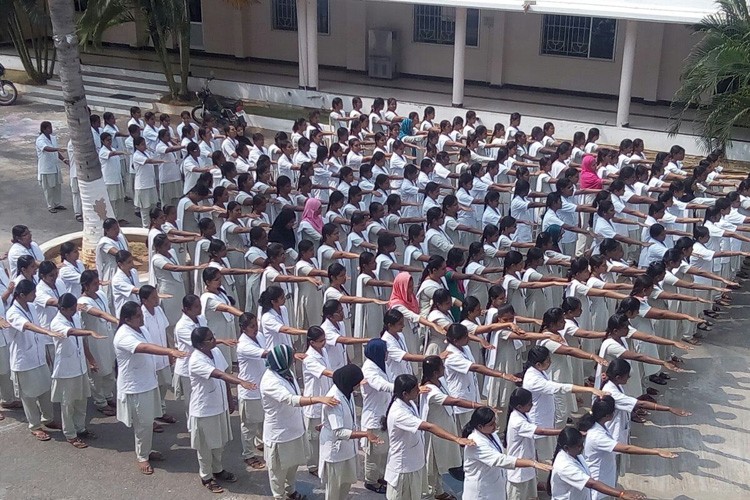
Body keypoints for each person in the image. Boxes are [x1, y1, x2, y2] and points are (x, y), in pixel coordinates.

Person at [113, 301, 188, 475]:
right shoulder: (123, 335)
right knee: (143, 424)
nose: (142, 318)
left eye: (141, 314)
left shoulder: (142, 329)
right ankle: (142, 457)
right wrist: (169, 352)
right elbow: (144, 347)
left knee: (147, 422)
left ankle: (146, 450)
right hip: (136, 387)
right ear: (127, 319)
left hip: (148, 382)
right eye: (138, 316)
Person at [260, 344, 339, 500]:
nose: (293, 361)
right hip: (280, 433)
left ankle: (291, 490)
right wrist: (318, 399)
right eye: (290, 357)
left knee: (292, 464)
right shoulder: (270, 381)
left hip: (294, 428)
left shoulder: (285, 372)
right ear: (283, 361)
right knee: (278, 470)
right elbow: (291, 399)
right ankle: (279, 496)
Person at [383, 373, 476, 500]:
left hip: (414, 464)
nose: (419, 390)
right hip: (403, 468)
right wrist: (456, 438)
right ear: (405, 393)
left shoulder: (408, 402)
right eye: (416, 389)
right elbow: (429, 427)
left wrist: (418, 389)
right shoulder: (399, 413)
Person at [188, 326, 256, 493]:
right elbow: (218, 374)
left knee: (219, 443)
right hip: (204, 410)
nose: (214, 340)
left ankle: (217, 470)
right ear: (199, 344)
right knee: (205, 446)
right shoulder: (196, 360)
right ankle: (206, 476)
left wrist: (229, 399)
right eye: (209, 339)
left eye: (213, 337)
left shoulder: (216, 352)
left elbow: (224, 374)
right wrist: (240, 382)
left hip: (219, 406)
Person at [578, 396, 677, 500]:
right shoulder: (597, 435)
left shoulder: (599, 426)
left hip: (605, 478)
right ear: (608, 415)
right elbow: (627, 449)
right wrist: (656, 451)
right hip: (598, 483)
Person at [6, 280, 64, 441]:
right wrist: (48, 332)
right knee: (29, 396)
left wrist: (44, 350)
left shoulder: (31, 307)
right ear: (22, 295)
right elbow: (27, 326)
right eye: (33, 293)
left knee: (46, 389)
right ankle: (35, 425)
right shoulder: (12, 312)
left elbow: (35, 330)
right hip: (24, 361)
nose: (35, 296)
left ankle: (49, 419)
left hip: (38, 357)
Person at [49, 293, 107, 448]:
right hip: (66, 370)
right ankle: (70, 434)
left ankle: (80, 428)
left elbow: (81, 341)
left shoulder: (74, 317)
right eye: (72, 309)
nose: (75, 311)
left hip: (80, 367)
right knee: (68, 404)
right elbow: (72, 333)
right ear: (62, 309)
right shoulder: (56, 322)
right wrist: (89, 332)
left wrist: (91, 360)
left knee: (81, 400)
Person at [320, 364, 383, 500]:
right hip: (335, 453)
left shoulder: (346, 392)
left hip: (347, 450)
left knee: (345, 485)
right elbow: (339, 433)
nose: (357, 387)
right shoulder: (334, 399)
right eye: (356, 383)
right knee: (334, 490)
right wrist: (365, 434)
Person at [462, 406, 552, 500]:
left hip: (494, 485)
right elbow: (501, 459)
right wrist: (531, 463)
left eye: (494, 422)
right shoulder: (475, 442)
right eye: (491, 424)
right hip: (481, 491)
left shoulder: (490, 434)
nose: (495, 426)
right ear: (480, 426)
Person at [550, 427, 645, 500]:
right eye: (578, 446)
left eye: (582, 444)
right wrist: (621, 494)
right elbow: (591, 484)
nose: (582, 447)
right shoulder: (564, 466)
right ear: (567, 448)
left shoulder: (574, 454)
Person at [506, 388, 563, 500]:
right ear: (519, 407)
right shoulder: (517, 421)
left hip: (528, 467)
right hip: (519, 472)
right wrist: (563, 431)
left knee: (532, 496)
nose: (532, 405)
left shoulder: (523, 415)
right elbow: (540, 431)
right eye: (529, 404)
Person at [78, 270, 119, 416]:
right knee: (97, 372)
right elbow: (100, 313)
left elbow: (105, 311)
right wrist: (117, 321)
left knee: (110, 369)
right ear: (85, 285)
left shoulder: (100, 294)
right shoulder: (82, 302)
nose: (97, 285)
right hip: (94, 341)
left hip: (107, 337)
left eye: (98, 282)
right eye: (94, 283)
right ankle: (100, 401)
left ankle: (108, 396)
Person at [361, 338, 393, 493]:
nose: (387, 354)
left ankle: (380, 476)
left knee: (383, 450)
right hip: (373, 418)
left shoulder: (380, 365)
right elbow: (380, 385)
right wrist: (400, 387)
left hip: (382, 414)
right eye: (385, 351)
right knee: (373, 453)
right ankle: (371, 481)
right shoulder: (369, 369)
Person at [302, 325, 334, 477]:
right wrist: (342, 376)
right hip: (313, 402)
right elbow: (325, 372)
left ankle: (322, 461)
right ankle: (313, 465)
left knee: (324, 433)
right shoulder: (309, 359)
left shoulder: (324, 351)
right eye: (321, 341)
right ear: (312, 342)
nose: (324, 343)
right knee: (313, 438)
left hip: (325, 399)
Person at [236, 313, 267, 471]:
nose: (255, 329)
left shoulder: (259, 336)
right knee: (249, 425)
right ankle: (248, 454)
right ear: (243, 328)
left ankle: (260, 443)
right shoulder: (243, 345)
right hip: (250, 391)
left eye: (256, 325)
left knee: (262, 420)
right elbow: (265, 354)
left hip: (261, 387)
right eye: (252, 326)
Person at [36, 121, 68, 213]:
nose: (51, 129)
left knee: (57, 186)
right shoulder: (40, 140)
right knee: (49, 188)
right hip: (47, 168)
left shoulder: (53, 138)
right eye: (49, 128)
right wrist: (57, 149)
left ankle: (57, 203)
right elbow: (46, 148)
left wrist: (64, 159)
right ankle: (50, 206)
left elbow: (56, 152)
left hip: (55, 167)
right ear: (44, 129)